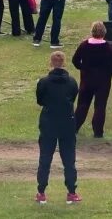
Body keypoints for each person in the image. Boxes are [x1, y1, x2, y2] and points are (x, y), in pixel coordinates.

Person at [35, 50, 80, 204]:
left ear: (51, 63)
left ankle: (41, 192)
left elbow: (40, 100)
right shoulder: (72, 82)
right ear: (64, 63)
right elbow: (73, 97)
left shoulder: (44, 82)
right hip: (67, 123)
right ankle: (71, 192)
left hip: (49, 123)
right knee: (69, 159)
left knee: (45, 158)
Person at [72, 22, 112, 138]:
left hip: (87, 80)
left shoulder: (84, 45)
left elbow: (75, 60)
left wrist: (83, 68)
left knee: (82, 105)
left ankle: (74, 127)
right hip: (103, 82)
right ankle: (98, 132)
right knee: (100, 106)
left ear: (92, 31)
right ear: (104, 32)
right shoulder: (108, 47)